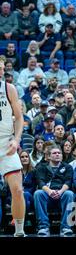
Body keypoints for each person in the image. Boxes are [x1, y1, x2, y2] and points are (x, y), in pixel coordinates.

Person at [0, 57, 26, 237]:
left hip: (5, 142)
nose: (1, 71)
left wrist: (16, 140)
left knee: (17, 190)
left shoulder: (9, 89)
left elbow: (19, 118)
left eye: (2, 68)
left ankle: (19, 231)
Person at [34, 145, 74, 236]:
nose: (57, 155)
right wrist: (50, 191)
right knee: (38, 193)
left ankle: (66, 227)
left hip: (62, 194)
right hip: (47, 194)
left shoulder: (67, 167)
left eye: (59, 153)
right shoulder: (41, 167)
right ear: (48, 156)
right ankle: (43, 227)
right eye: (54, 153)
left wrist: (60, 192)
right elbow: (40, 182)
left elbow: (68, 181)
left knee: (69, 193)